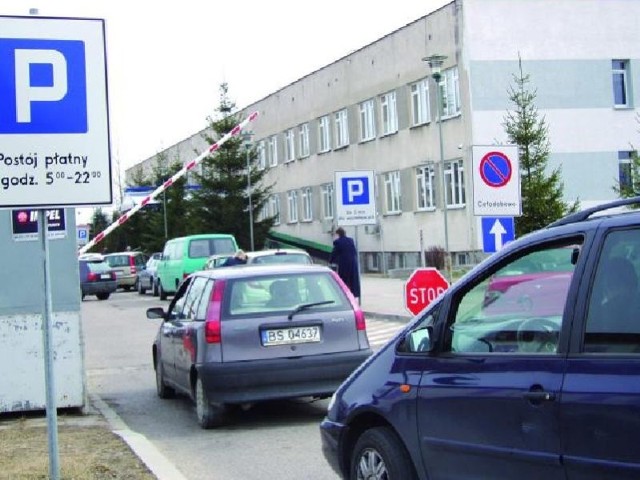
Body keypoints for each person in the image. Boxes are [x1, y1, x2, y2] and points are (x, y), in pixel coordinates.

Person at [330, 227, 361, 299]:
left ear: (338, 234)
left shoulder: (338, 242)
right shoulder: (351, 240)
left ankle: (345, 298)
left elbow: (334, 254)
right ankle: (353, 297)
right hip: (353, 264)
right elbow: (354, 252)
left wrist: (330, 261)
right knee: (353, 282)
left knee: (343, 282)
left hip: (344, 265)